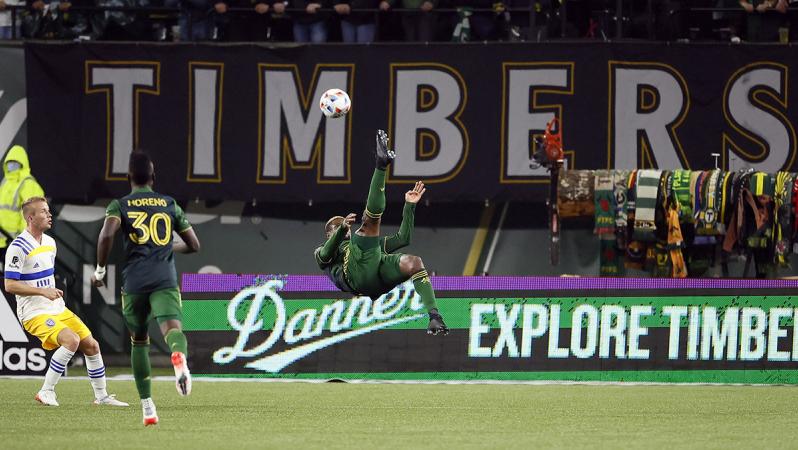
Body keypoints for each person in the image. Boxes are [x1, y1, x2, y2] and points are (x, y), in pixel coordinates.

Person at [91, 151, 201, 426]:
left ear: (129, 177)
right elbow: (194, 245)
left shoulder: (120, 205)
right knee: (173, 330)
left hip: (135, 282)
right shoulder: (169, 204)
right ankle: (178, 357)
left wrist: (100, 269)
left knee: (139, 341)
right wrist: (167, 247)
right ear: (153, 176)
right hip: (164, 279)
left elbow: (106, 234)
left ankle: (148, 408)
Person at [315, 130, 448, 335]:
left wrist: (409, 206)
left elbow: (403, 238)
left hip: (378, 279)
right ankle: (381, 165)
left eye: (344, 225)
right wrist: (341, 230)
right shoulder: (324, 252)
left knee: (414, 263)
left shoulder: (363, 244)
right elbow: (325, 255)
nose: (345, 228)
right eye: (338, 227)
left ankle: (435, 317)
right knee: (368, 225)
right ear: (328, 235)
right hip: (356, 277)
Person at [4, 197, 128, 408]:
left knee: (92, 346)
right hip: (34, 312)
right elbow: (9, 285)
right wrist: (42, 291)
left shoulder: (50, 243)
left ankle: (102, 396)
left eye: (48, 210)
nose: (49, 214)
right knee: (71, 340)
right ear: (30, 218)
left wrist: (49, 292)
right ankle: (46, 391)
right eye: (43, 211)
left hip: (57, 308)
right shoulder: (18, 247)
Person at [0, 145, 45, 270]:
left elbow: (31, 215)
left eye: (15, 162)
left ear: (22, 164)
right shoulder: (5, 183)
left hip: (16, 241)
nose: (11, 165)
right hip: (3, 241)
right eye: (9, 162)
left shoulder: (28, 184)